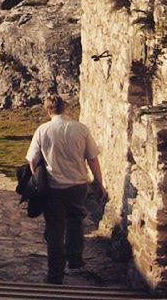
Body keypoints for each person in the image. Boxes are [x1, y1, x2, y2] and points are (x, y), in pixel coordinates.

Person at [26, 94, 107, 285]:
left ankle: (55, 274)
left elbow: (32, 160)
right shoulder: (80, 128)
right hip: (78, 184)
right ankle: (75, 260)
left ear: (47, 110)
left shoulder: (43, 130)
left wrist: (38, 180)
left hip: (54, 186)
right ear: (65, 108)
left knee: (55, 229)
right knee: (75, 221)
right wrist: (99, 181)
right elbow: (92, 158)